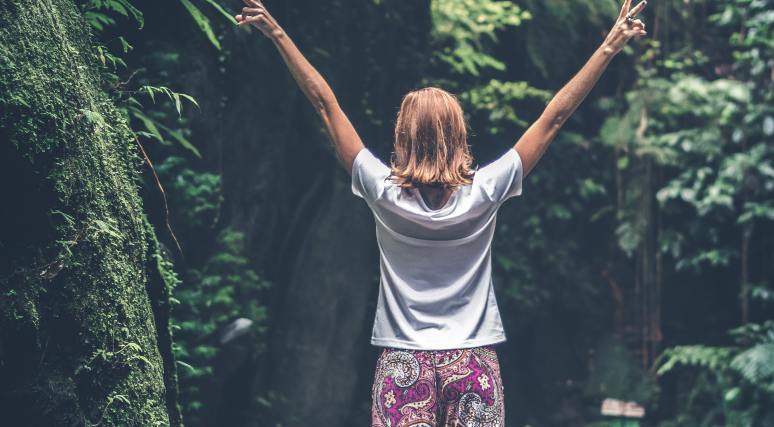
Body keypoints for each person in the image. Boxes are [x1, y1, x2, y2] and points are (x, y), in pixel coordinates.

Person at [235, 0, 647, 424]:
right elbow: (554, 117)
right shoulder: (486, 191)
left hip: (402, 364)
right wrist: (608, 47)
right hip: (472, 362)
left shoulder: (382, 191)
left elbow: (326, 105)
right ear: (459, 136)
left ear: (402, 137)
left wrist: (278, 34)